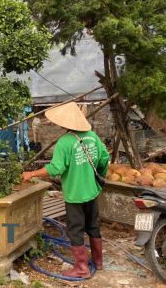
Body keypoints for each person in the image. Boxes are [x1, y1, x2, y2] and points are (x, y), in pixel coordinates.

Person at [21, 102, 109, 278]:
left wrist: (32, 173)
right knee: (93, 225)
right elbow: (104, 159)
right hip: (92, 191)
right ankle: (98, 262)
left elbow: (55, 169)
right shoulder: (92, 136)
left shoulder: (65, 142)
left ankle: (82, 268)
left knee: (75, 230)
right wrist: (96, 180)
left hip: (75, 194)